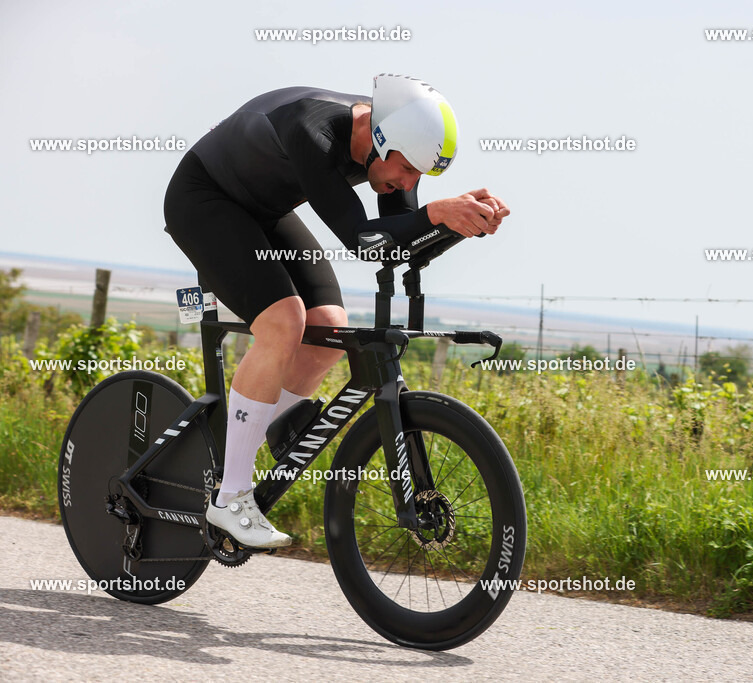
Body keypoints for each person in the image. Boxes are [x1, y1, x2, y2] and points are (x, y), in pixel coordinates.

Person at [163, 74, 509, 548]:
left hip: (264, 211)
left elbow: (394, 241)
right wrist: (434, 213)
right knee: (284, 323)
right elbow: (363, 241)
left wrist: (459, 223)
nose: (407, 184)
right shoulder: (313, 128)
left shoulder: (389, 149)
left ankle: (242, 446)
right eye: (407, 170)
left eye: (419, 178)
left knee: (328, 329)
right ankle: (231, 496)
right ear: (379, 139)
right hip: (204, 199)